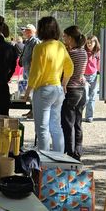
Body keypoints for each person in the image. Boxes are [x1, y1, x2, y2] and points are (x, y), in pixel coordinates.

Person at [23, 17, 73, 153]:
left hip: (43, 90)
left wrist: (27, 92)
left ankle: (43, 159)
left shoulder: (40, 48)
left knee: (42, 128)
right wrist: (64, 84)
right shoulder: (60, 46)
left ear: (41, 30)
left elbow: (36, 72)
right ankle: (59, 157)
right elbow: (70, 67)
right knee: (56, 127)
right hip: (57, 89)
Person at [61, 26, 87, 161]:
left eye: (65, 36)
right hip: (81, 90)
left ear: (70, 38)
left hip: (71, 90)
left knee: (68, 123)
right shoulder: (83, 52)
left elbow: (64, 71)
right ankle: (77, 151)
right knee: (78, 122)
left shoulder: (71, 53)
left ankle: (69, 152)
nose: (63, 38)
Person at [19, 24, 40, 118]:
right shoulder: (28, 41)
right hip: (27, 69)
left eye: (26, 30)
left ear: (31, 32)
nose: (24, 32)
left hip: (32, 70)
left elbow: (37, 56)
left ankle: (34, 111)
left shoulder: (35, 41)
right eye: (24, 30)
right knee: (30, 92)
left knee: (33, 92)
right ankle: (32, 110)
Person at [84, 35, 100, 122]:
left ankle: (89, 116)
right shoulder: (84, 52)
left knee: (92, 96)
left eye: (91, 42)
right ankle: (78, 115)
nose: (89, 44)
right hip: (84, 76)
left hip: (93, 76)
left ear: (95, 43)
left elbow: (99, 65)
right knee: (84, 97)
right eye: (88, 43)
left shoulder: (98, 53)